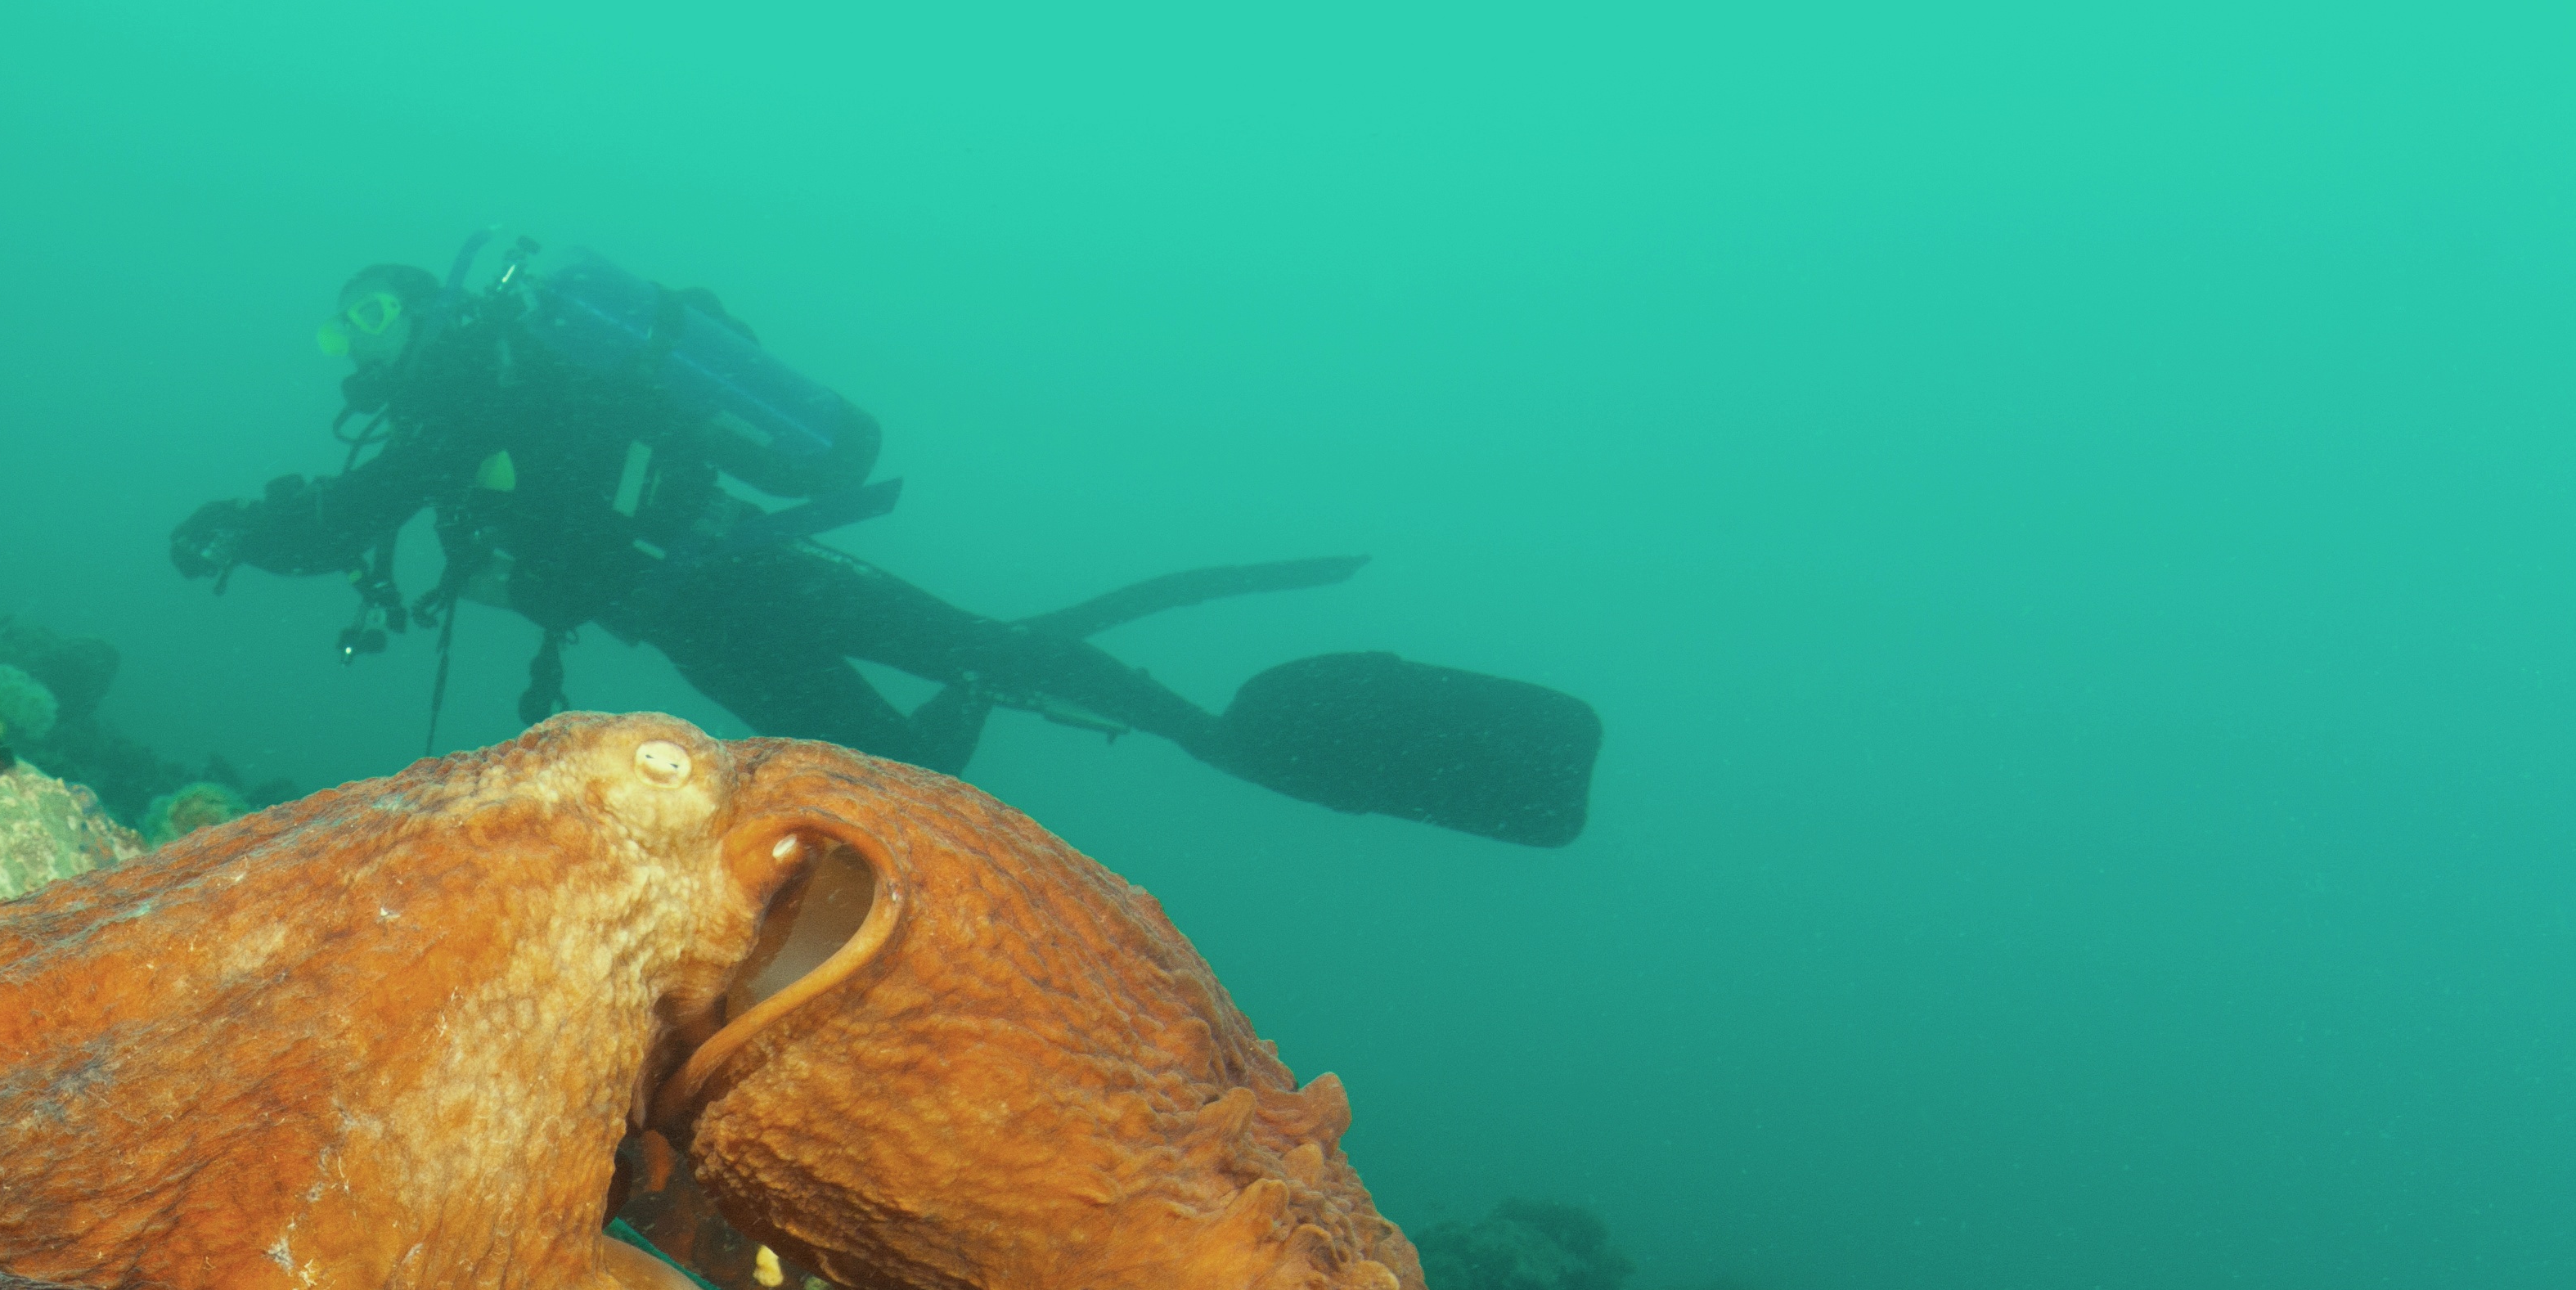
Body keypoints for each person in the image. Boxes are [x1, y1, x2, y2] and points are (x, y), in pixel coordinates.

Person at [169, 243, 1601, 846]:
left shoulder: (481, 389)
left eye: (363, 321)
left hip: (720, 598)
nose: (349, 352)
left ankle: (1215, 734)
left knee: (890, 759)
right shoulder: (501, 392)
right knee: (938, 706)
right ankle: (1220, 733)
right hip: (742, 575)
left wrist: (245, 525)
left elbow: (351, 520)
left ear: (423, 317)